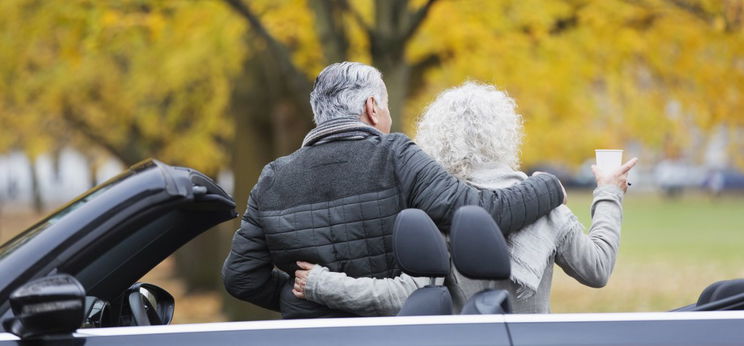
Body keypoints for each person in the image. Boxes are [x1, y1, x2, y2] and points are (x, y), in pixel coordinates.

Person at [222, 63, 567, 319]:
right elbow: (480, 212)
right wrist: (548, 185)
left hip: (307, 336)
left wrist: (299, 296)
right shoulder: (396, 156)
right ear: (372, 107)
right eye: (384, 106)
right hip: (391, 334)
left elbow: (240, 276)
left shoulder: (272, 177)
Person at [294, 81, 637, 314]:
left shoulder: (432, 207)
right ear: (506, 133)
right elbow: (597, 268)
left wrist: (322, 284)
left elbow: (400, 295)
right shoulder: (543, 205)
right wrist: (608, 192)